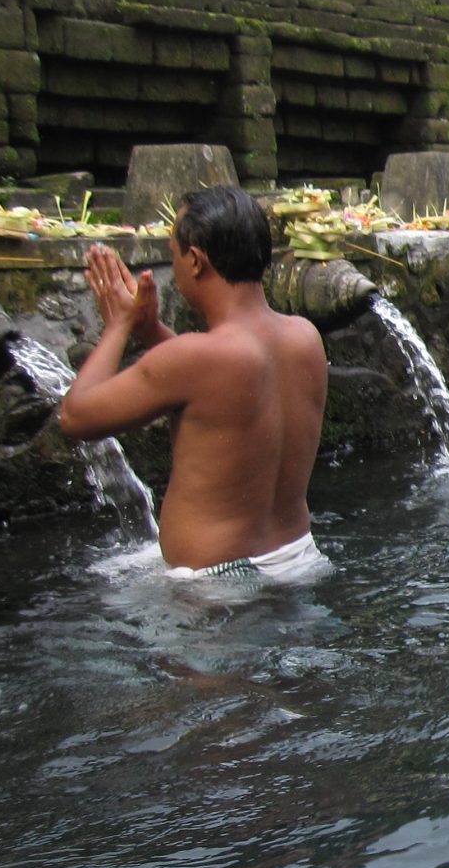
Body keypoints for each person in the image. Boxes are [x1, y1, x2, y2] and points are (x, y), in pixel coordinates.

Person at [59, 185, 331, 581]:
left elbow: (75, 416)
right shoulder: (304, 337)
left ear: (196, 261)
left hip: (219, 589)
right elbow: (219, 381)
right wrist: (150, 330)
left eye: (173, 255)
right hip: (300, 560)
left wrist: (119, 326)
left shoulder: (195, 357)